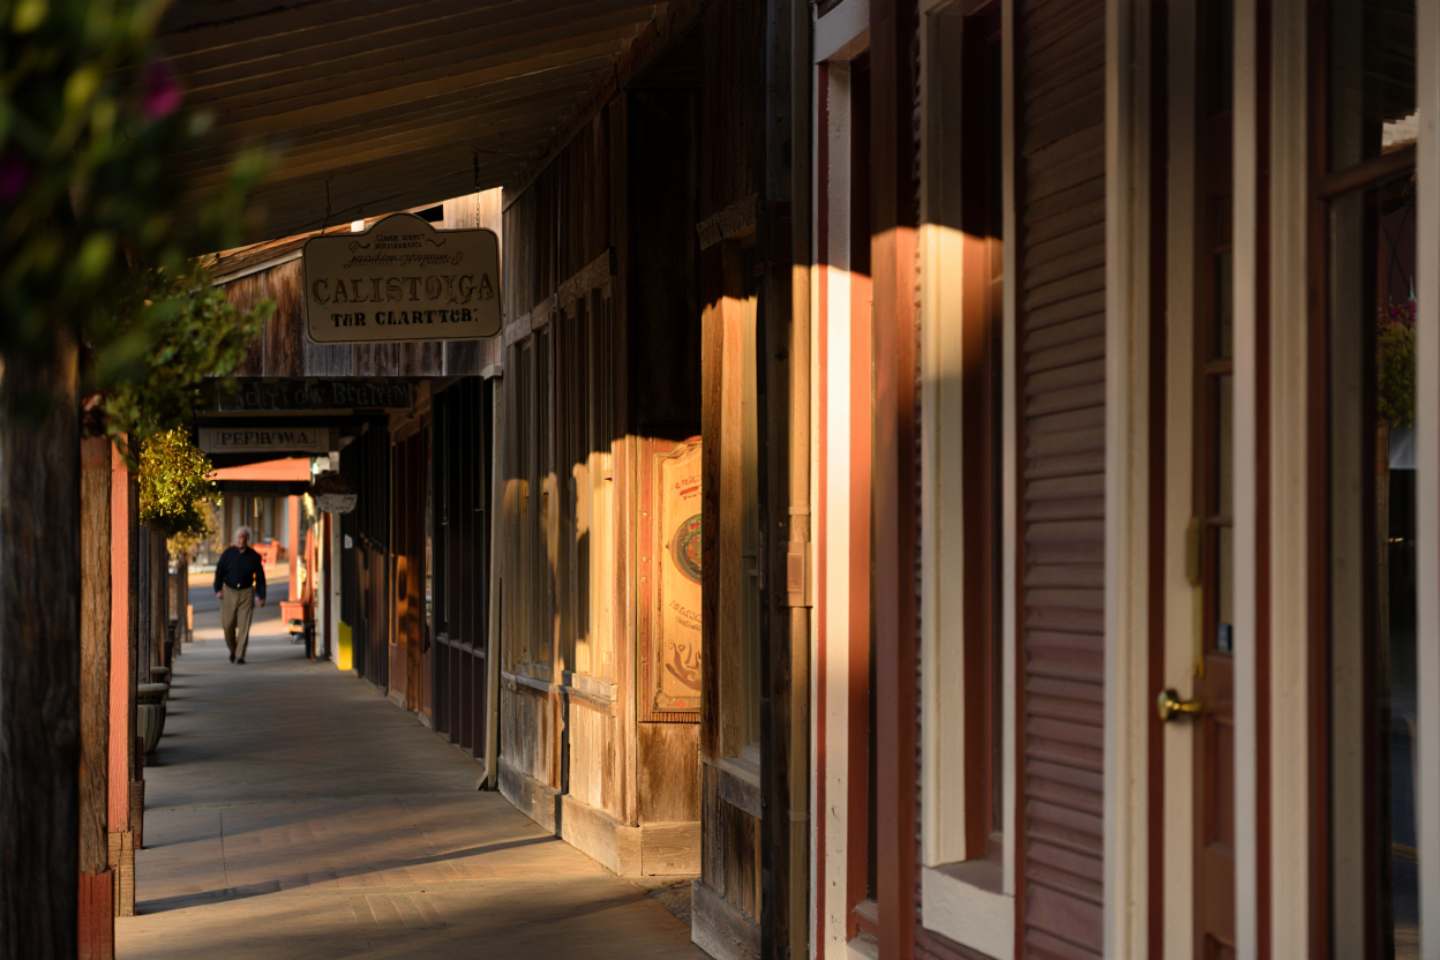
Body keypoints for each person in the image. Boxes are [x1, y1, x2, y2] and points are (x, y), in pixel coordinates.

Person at [213, 526, 267, 664]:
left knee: (244, 626)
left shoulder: (254, 556)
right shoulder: (227, 554)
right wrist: (217, 589)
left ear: (247, 539)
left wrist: (260, 596)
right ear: (235, 538)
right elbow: (219, 572)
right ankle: (233, 650)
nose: (241, 540)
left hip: (246, 592)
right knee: (227, 625)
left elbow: (260, 578)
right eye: (239, 537)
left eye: (243, 537)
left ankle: (240, 655)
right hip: (228, 592)